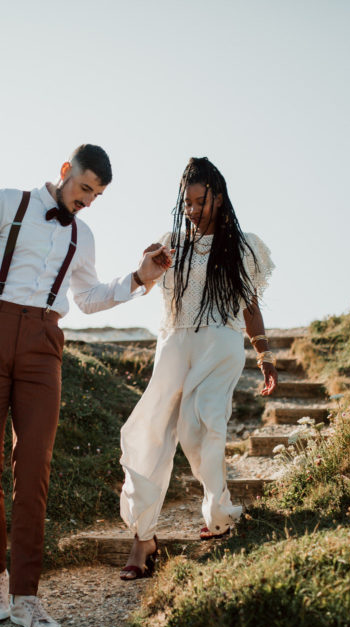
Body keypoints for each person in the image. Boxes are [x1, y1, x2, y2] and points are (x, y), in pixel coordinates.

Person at [0, 144, 172, 627]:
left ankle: (27, 597)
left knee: (34, 465)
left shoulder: (83, 235)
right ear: (65, 172)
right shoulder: (6, 202)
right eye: (84, 188)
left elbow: (86, 297)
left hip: (44, 342)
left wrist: (140, 280)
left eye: (96, 195)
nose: (86, 201)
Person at [117, 156, 276, 580]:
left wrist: (264, 355)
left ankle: (218, 511)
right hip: (174, 342)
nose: (191, 209)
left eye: (200, 201)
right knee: (150, 431)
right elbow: (145, 281)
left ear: (219, 199)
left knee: (198, 426)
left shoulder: (244, 248)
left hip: (219, 343)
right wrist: (146, 265)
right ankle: (143, 537)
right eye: (186, 202)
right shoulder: (170, 242)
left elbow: (251, 309)